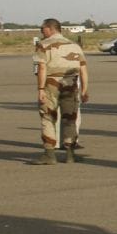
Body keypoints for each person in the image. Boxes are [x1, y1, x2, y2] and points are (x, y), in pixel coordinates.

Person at [30, 18, 88, 165]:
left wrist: (40, 89)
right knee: (70, 118)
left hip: (51, 84)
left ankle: (49, 154)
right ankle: (70, 154)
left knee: (48, 117)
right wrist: (85, 90)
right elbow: (83, 69)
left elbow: (41, 68)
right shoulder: (74, 46)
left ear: (50, 28)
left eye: (42, 29)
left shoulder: (43, 45)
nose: (41, 32)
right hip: (71, 84)